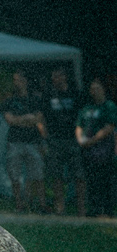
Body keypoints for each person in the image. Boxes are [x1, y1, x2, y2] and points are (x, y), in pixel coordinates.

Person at [0, 70, 48, 214]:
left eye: (19, 79)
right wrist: (27, 119)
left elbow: (38, 118)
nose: (17, 83)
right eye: (15, 80)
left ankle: (40, 204)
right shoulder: (10, 100)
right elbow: (10, 120)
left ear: (25, 81)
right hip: (14, 142)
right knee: (15, 176)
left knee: (37, 174)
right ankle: (19, 205)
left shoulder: (35, 99)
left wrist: (19, 120)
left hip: (33, 142)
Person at [42, 68, 85, 216]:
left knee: (78, 176)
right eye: (54, 76)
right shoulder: (49, 95)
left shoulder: (75, 93)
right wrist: (46, 136)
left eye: (58, 76)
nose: (56, 79)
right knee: (57, 176)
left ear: (64, 77)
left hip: (73, 140)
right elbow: (43, 117)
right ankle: (60, 208)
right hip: (55, 140)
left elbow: (82, 116)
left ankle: (81, 210)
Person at [75, 78, 117, 218]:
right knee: (91, 181)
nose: (94, 91)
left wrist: (92, 140)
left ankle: (106, 211)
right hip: (88, 151)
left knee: (105, 180)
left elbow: (110, 127)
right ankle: (94, 209)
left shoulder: (109, 106)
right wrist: (81, 139)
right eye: (92, 89)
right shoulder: (87, 108)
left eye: (97, 88)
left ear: (103, 89)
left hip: (104, 150)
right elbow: (79, 125)